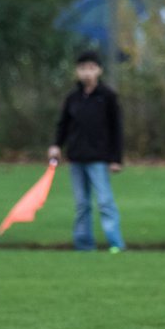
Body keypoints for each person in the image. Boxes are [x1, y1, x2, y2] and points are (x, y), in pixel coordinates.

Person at [48, 50, 125, 253]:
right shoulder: (73, 98)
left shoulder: (107, 97)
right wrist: (56, 145)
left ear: (99, 70)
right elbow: (63, 125)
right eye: (82, 68)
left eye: (91, 68)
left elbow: (117, 129)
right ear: (77, 71)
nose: (86, 73)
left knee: (104, 202)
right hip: (76, 158)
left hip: (99, 158)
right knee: (82, 204)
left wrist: (116, 159)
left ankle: (115, 243)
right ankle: (83, 244)